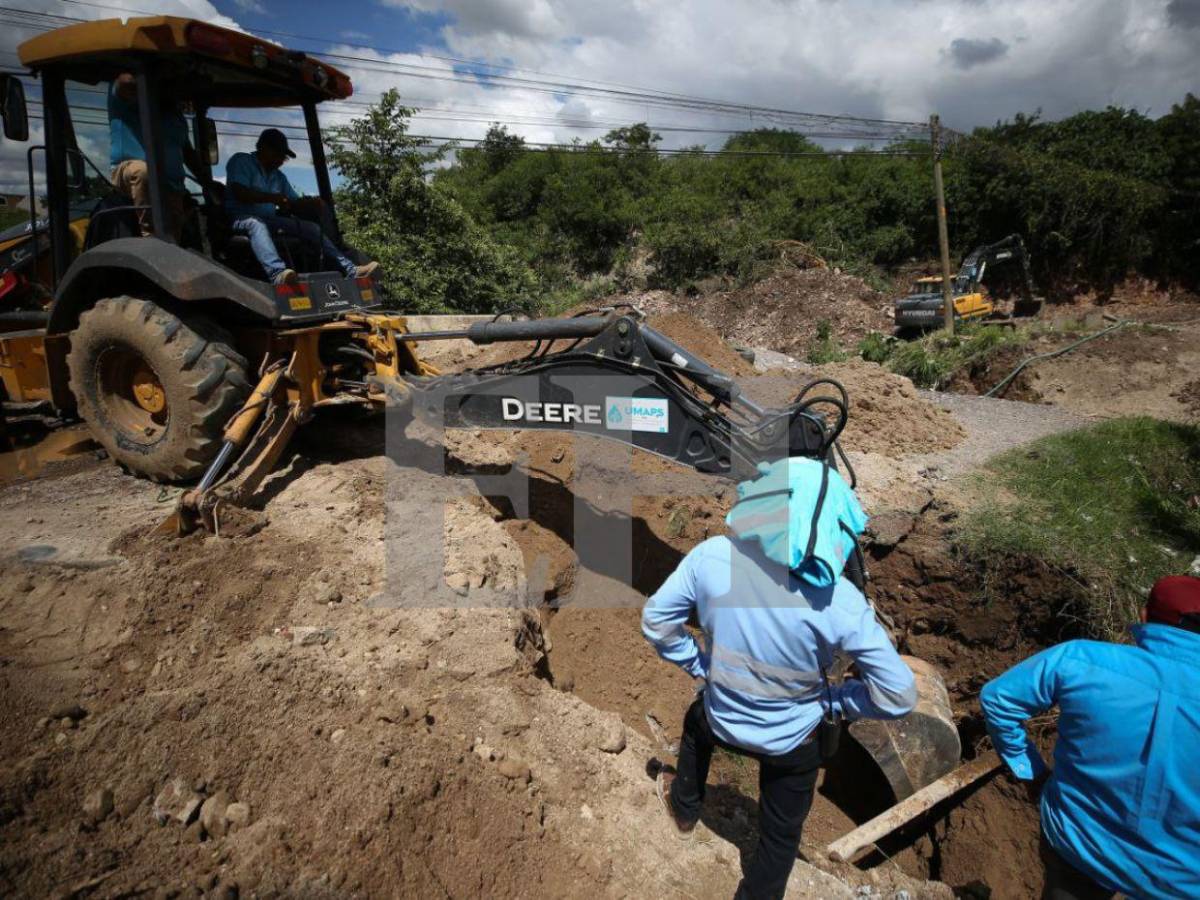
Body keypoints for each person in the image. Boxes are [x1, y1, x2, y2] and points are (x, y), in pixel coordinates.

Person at [642, 457, 917, 900]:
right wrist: (838, 701)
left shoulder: (713, 557)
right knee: (781, 835)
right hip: (792, 744)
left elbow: (656, 623)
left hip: (722, 717)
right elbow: (900, 695)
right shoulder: (841, 602)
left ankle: (684, 808)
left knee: (696, 728)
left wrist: (699, 665)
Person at [981, 574, 1200, 900]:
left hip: (1078, 844)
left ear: (1143, 616)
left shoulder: (1080, 659)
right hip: (1179, 879)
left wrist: (1033, 774)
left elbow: (997, 698)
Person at [224, 128, 378, 286]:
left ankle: (351, 270)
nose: (281, 160)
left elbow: (292, 201)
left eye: (283, 157)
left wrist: (309, 203)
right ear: (263, 148)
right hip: (240, 218)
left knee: (311, 228)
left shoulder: (278, 177)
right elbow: (239, 192)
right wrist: (273, 198)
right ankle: (278, 274)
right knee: (256, 224)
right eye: (278, 155)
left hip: (271, 220)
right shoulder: (242, 161)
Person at [108, 72, 206, 239]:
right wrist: (157, 67)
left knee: (174, 243)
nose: (182, 97)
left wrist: (208, 183)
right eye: (178, 89)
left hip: (172, 187)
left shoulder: (175, 116)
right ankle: (151, 237)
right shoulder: (129, 100)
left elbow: (187, 152)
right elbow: (126, 81)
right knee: (142, 171)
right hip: (127, 173)